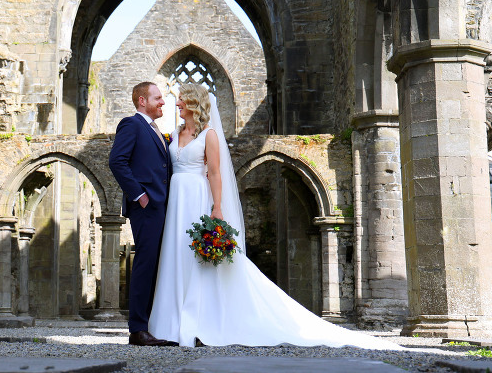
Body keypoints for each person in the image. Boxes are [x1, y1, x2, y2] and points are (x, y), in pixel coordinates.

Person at [148, 84, 401, 350]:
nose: (176, 104)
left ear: (194, 104)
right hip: (175, 201)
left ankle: (200, 320)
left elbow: (215, 173)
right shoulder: (174, 134)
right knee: (175, 255)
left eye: (181, 100)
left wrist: (217, 207)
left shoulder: (208, 135)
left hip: (196, 199)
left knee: (198, 259)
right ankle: (171, 323)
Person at [109, 82, 175, 347]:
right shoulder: (131, 124)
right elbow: (117, 161)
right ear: (141, 101)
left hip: (163, 206)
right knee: (145, 265)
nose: (163, 102)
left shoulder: (156, 130)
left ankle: (153, 324)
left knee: (158, 264)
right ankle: (137, 329)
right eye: (158, 98)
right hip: (147, 207)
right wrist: (139, 195)